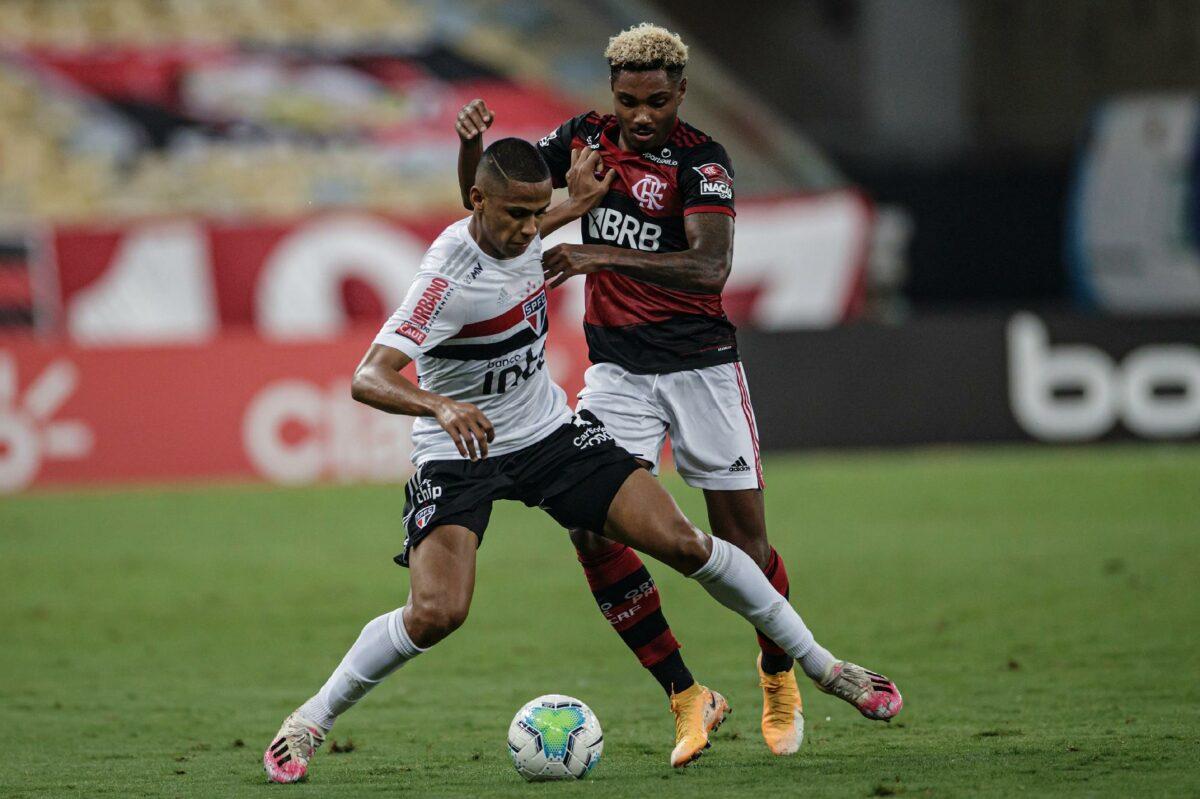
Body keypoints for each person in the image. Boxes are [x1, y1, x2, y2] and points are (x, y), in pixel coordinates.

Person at [263, 138, 890, 783]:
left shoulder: (524, 226)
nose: (532, 230)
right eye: (517, 215)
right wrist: (439, 406)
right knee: (437, 613)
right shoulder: (446, 279)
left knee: (683, 541)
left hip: (546, 434)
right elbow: (367, 378)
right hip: (461, 450)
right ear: (477, 202)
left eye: (541, 213)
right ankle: (310, 720)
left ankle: (824, 666)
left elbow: (533, 219)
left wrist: (579, 203)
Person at [454, 23, 902, 758]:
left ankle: (778, 671)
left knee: (743, 544)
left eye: (656, 101)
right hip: (617, 373)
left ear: (681, 93)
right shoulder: (582, 139)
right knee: (591, 528)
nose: (640, 115)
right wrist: (472, 147)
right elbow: (488, 204)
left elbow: (710, 268)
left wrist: (594, 252)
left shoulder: (703, 161)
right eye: (628, 99)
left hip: (700, 369)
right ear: (612, 93)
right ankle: (687, 694)